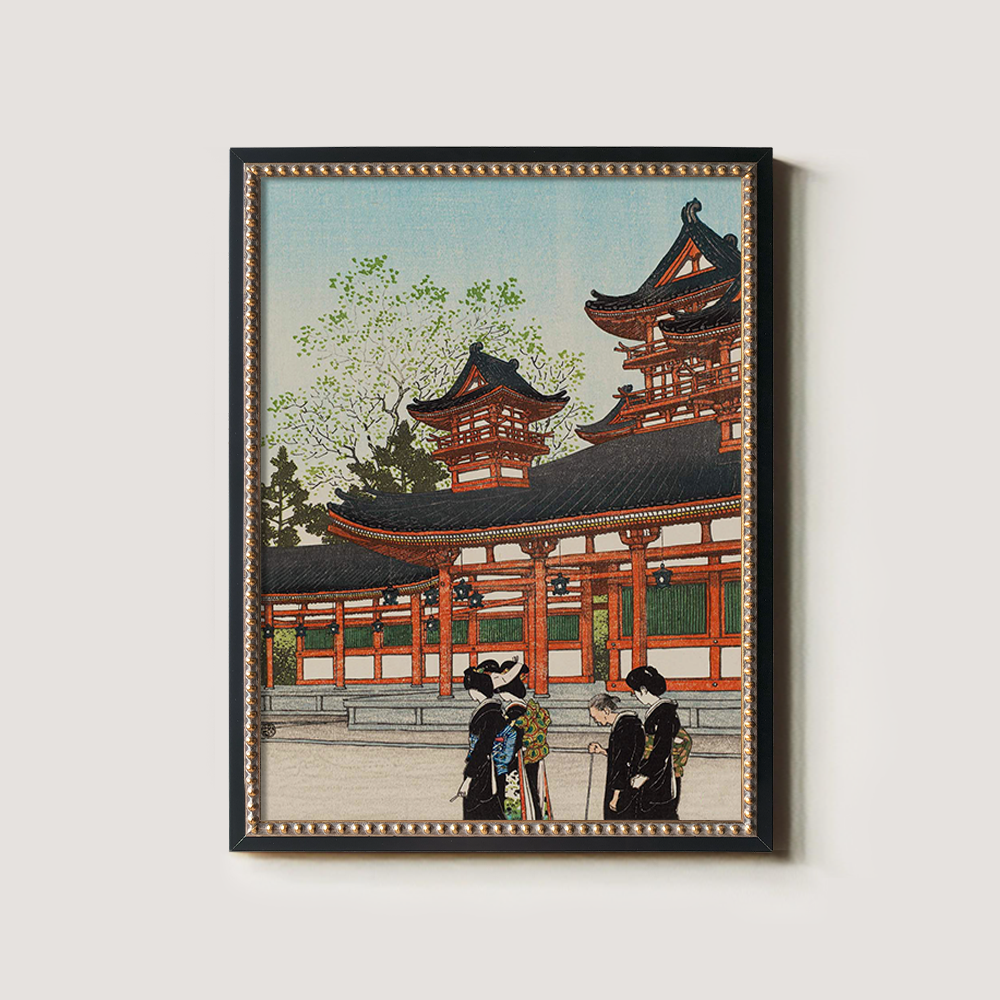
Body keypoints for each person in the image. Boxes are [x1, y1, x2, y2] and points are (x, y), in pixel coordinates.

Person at [625, 665, 681, 820]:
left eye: (635, 691)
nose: (635, 695)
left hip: (659, 774)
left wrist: (645, 774)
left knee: (657, 815)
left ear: (643, 690)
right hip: (654, 770)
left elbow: (661, 750)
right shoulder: (659, 711)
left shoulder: (664, 713)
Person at [456, 667, 505, 820]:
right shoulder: (492, 710)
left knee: (478, 809)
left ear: (476, 690)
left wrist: (469, 778)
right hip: (485, 767)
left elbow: (482, 747)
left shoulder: (488, 714)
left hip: (483, 770)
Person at [587, 692, 646, 819]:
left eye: (595, 716)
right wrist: (603, 751)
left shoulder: (624, 727)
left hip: (624, 787)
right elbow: (622, 753)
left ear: (606, 711)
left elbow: (622, 762)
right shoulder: (627, 724)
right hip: (630, 783)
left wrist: (615, 796)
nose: (595, 720)